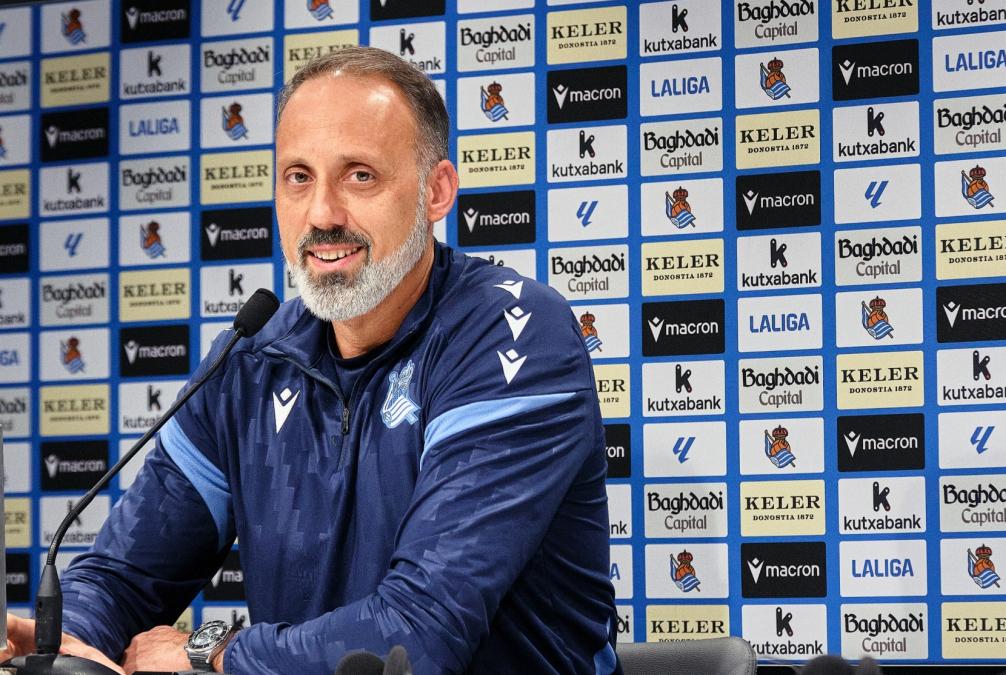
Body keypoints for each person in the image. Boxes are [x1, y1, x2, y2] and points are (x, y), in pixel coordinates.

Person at [3, 46, 619, 674]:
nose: (322, 214)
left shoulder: (512, 336)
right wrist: (65, 639)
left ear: (436, 192)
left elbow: (417, 637)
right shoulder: (250, 359)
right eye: (298, 177)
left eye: (360, 176)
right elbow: (126, 576)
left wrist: (212, 653)